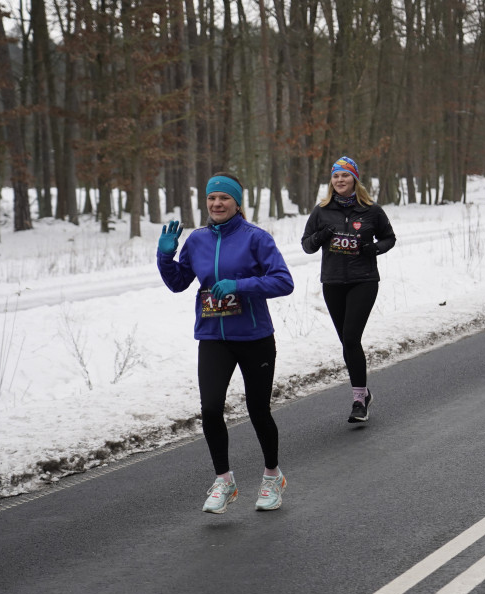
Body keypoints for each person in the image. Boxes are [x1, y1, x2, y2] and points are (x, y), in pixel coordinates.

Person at [157, 172, 295, 514]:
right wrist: (165, 257)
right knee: (210, 409)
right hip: (212, 337)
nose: (217, 204)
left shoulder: (256, 239)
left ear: (237, 203)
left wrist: (240, 285)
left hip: (254, 337)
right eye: (211, 198)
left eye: (224, 198)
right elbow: (178, 284)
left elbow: (283, 281)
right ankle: (224, 481)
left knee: (258, 411)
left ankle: (272, 476)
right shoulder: (197, 240)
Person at [301, 156, 396, 423]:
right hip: (332, 282)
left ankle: (358, 400)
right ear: (331, 181)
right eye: (336, 176)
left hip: (363, 280)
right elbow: (307, 244)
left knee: (351, 338)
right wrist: (322, 236)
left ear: (355, 178)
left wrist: (374, 248)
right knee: (346, 341)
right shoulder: (321, 211)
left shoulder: (371, 210)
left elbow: (389, 238)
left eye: (345, 175)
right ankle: (364, 393)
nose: (340, 180)